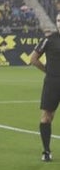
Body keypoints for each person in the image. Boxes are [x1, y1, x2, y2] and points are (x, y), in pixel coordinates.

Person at [28, 13, 60, 161]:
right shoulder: (49, 39)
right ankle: (46, 151)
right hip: (53, 82)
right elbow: (33, 59)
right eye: (58, 20)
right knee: (47, 116)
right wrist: (47, 70)